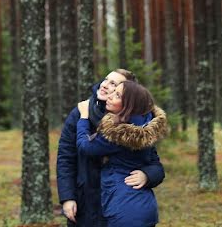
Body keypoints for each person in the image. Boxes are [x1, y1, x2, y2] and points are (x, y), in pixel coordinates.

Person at [56, 69, 163, 226]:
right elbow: (65, 158)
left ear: (127, 95)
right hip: (86, 203)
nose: (105, 85)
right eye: (106, 80)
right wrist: (68, 197)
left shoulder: (135, 126)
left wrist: (147, 175)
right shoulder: (81, 113)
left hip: (122, 205)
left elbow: (154, 163)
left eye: (114, 84)